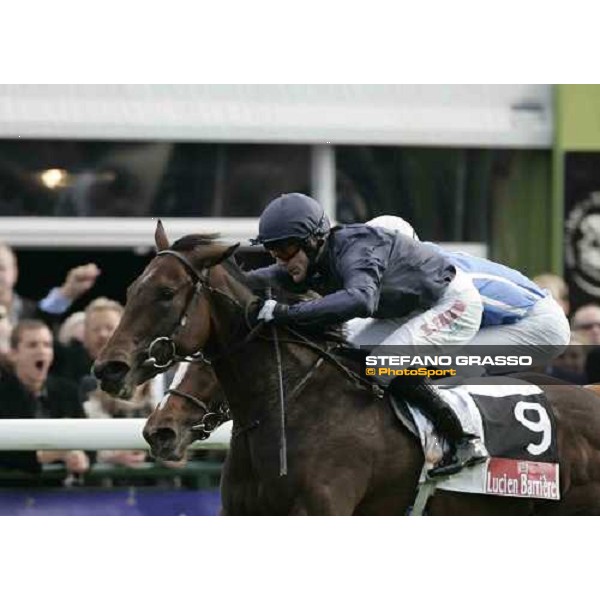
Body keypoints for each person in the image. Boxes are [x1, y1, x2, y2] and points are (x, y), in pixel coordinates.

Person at [247, 193, 486, 477]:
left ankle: (464, 439)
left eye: (285, 251)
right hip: (407, 308)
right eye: (273, 252)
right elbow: (260, 278)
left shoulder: (356, 249)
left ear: (313, 241)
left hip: (451, 302)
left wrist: (284, 314)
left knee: (383, 364)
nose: (281, 261)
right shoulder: (314, 256)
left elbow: (360, 301)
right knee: (346, 357)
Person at [0, 319, 89, 483]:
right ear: (13, 353)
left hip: (60, 497)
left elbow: (89, 439)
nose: (41, 351)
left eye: (47, 345)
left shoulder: (67, 392)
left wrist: (81, 456)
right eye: (32, 345)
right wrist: (41, 456)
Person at [0, 242, 100, 327]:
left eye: (1, 268)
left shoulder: (33, 314)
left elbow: (46, 312)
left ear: (14, 272)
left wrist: (68, 292)